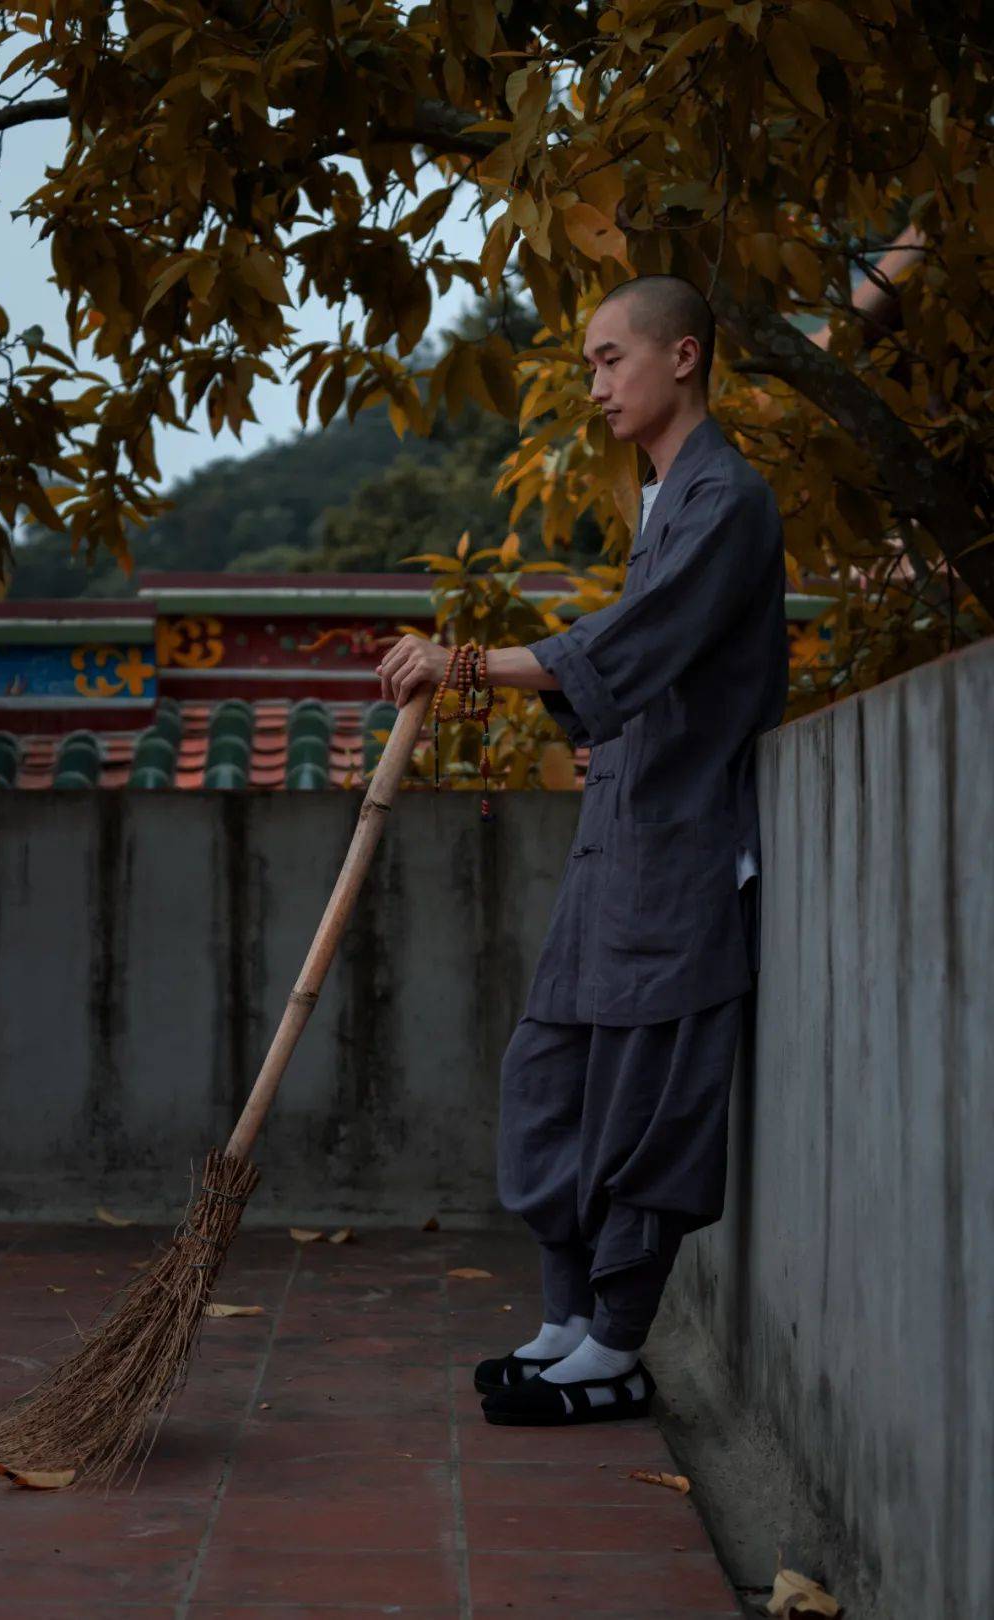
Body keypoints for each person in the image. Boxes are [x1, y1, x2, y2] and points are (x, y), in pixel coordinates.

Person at [376, 274, 789, 1427]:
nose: (597, 384)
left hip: (685, 846)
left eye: (613, 360)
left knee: (650, 1102)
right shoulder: (662, 503)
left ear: (686, 357)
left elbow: (634, 642)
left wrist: (465, 663)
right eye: (593, 364)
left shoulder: (728, 501)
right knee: (548, 1074)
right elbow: (626, 678)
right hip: (620, 839)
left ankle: (615, 1345)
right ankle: (566, 1318)